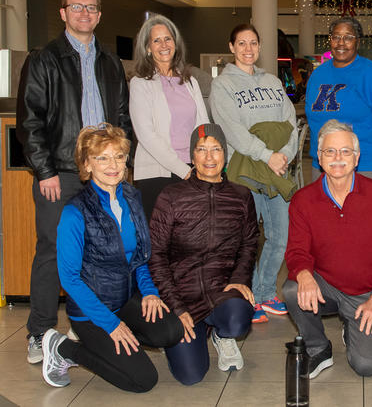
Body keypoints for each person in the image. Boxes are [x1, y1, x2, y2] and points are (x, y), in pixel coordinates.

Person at [16, 0, 133, 364]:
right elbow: (29, 122)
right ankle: (40, 331)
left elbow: (122, 119)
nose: (84, 12)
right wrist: (44, 170)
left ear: (99, 15)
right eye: (76, 6)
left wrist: (120, 163)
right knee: (53, 252)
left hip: (105, 173)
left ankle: (91, 323)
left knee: (100, 252)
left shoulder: (111, 63)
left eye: (91, 7)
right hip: (61, 173)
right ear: (63, 13)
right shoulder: (44, 59)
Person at [40, 124, 183, 392]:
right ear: (87, 164)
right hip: (91, 312)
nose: (113, 164)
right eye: (102, 157)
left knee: (170, 331)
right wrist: (111, 324)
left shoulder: (131, 197)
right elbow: (70, 280)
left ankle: (113, 346)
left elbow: (139, 255)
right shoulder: (75, 212)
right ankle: (65, 349)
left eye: (118, 156)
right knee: (142, 380)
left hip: (124, 299)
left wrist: (150, 292)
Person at [282, 120, 372, 378]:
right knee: (293, 288)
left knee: (367, 365)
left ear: (356, 157)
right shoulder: (303, 200)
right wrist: (304, 274)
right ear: (319, 157)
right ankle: (317, 348)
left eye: (345, 151)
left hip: (367, 292)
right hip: (325, 283)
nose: (338, 158)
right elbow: (297, 251)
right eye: (330, 151)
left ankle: (355, 327)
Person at [149, 123, 258, 385]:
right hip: (182, 295)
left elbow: (249, 242)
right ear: (192, 155)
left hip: (222, 290)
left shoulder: (241, 196)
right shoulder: (171, 196)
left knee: (237, 319)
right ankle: (195, 329)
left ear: (225, 154)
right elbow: (156, 254)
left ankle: (222, 334)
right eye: (201, 150)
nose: (209, 158)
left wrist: (240, 278)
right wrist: (175, 306)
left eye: (216, 149)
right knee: (191, 376)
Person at [210, 23, 297, 324]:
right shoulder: (223, 86)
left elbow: (290, 122)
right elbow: (232, 130)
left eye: (254, 43)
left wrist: (285, 154)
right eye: (242, 43)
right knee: (246, 240)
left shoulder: (272, 81)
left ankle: (264, 292)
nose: (248, 49)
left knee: (280, 236)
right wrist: (267, 155)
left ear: (260, 47)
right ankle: (243, 296)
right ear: (231, 47)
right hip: (245, 171)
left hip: (276, 170)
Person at [129, 14, 210, 221]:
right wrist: (183, 171)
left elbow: (203, 126)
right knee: (161, 244)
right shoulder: (140, 83)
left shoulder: (190, 81)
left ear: (175, 43)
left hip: (193, 170)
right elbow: (146, 135)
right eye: (156, 40)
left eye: (168, 39)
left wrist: (203, 162)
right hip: (159, 173)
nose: (163, 45)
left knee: (192, 239)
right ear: (147, 47)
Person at [305, 17, 372, 181]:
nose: (341, 43)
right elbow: (312, 117)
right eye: (336, 37)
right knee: (322, 207)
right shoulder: (317, 75)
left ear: (358, 41)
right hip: (323, 164)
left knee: (361, 207)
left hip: (363, 165)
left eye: (348, 37)